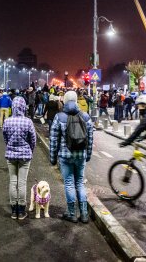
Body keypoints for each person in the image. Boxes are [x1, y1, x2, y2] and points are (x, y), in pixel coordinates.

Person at [49, 91, 93, 223]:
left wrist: (52, 158)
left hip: (65, 156)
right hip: (81, 156)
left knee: (68, 182)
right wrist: (88, 155)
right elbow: (90, 138)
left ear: (65, 101)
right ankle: (84, 214)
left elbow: (53, 140)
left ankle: (72, 213)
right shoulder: (85, 116)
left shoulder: (59, 116)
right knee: (79, 182)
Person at [3, 96, 36, 220]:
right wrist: (30, 150)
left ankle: (13, 210)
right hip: (25, 155)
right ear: (23, 107)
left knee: (13, 181)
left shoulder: (7, 121)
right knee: (22, 183)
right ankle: (21, 211)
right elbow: (33, 139)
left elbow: (5, 137)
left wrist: (10, 147)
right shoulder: (28, 122)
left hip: (11, 155)